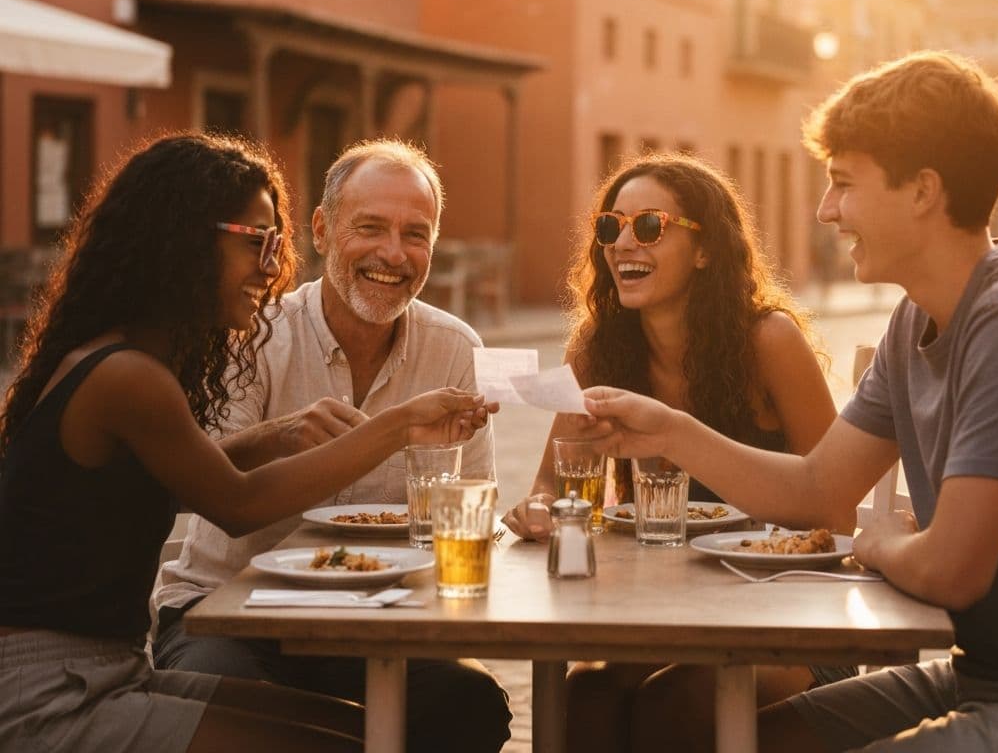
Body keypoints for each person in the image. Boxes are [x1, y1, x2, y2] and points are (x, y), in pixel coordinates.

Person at [584, 50, 998, 752]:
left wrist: (885, 544)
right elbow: (822, 489)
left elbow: (951, 570)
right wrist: (668, 429)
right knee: (677, 721)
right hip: (978, 677)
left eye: (843, 184)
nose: (826, 211)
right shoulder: (915, 321)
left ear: (923, 191)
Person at [0, 132, 495, 753]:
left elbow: (188, 476)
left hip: (110, 670)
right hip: (51, 692)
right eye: (255, 242)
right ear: (184, 241)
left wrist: (279, 433)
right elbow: (234, 504)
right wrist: (396, 427)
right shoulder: (129, 377)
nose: (271, 267)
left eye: (275, 243)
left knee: (367, 735)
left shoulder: (130, 362)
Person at [152, 138, 512, 753]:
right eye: (369, 227)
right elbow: (210, 484)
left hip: (384, 622)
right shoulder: (253, 333)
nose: (393, 254)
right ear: (321, 228)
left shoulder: (454, 348)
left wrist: (507, 526)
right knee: (220, 691)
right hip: (228, 614)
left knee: (470, 704)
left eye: (415, 234)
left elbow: (472, 514)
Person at [502, 151, 846, 753]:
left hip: (792, 621)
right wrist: (540, 513)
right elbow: (550, 487)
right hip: (668, 616)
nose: (623, 243)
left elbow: (837, 509)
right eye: (611, 227)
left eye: (651, 227)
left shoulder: (769, 341)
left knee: (674, 703)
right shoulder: (597, 349)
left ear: (706, 248)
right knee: (584, 696)